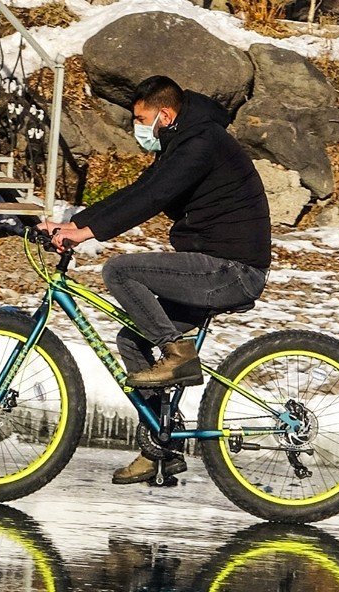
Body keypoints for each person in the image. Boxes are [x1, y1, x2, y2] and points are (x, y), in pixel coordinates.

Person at [39, 76, 271, 485]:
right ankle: (158, 447)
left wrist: (87, 233)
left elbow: (153, 197)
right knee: (132, 338)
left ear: (164, 114)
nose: (138, 128)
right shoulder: (183, 140)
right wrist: (75, 223)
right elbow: (142, 188)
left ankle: (178, 356)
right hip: (212, 264)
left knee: (120, 270)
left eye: (141, 119)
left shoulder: (202, 142)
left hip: (232, 269)